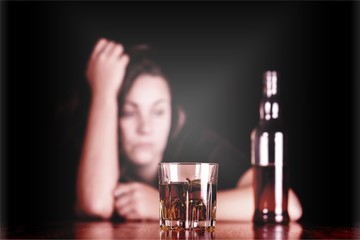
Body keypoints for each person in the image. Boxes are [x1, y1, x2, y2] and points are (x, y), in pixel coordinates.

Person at [76, 38, 303, 221]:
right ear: (110, 116)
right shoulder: (93, 145)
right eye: (128, 112)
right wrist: (103, 92)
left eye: (158, 112)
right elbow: (96, 205)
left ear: (175, 116)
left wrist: (167, 206)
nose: (145, 127)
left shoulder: (194, 142)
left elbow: (284, 204)